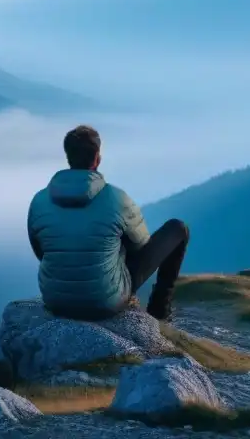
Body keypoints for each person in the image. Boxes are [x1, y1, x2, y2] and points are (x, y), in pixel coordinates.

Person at [27, 125, 190, 322]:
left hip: (55, 301)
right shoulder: (116, 199)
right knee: (178, 229)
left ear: (68, 157)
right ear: (97, 158)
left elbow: (40, 251)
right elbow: (142, 246)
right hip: (106, 302)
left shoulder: (39, 201)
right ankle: (159, 311)